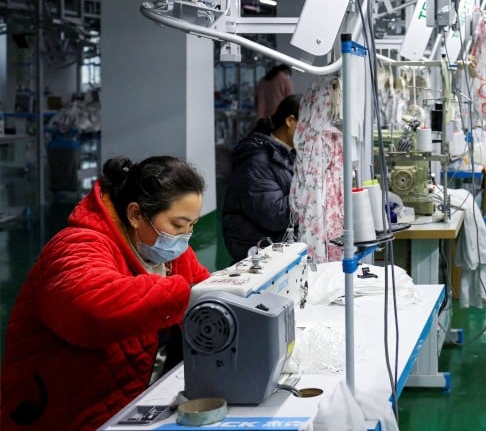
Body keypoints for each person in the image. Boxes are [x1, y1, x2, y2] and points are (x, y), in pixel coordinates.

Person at [1, 156, 209, 430]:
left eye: (192, 226)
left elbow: (208, 291)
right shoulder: (77, 245)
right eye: (178, 225)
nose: (184, 237)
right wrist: (183, 293)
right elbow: (91, 308)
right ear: (136, 215)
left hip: (128, 403)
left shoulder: (172, 255)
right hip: (63, 414)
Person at [222, 94, 300, 262]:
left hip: (274, 242)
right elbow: (275, 216)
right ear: (290, 121)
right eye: (308, 126)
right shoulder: (257, 161)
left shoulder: (286, 154)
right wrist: (310, 192)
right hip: (256, 247)